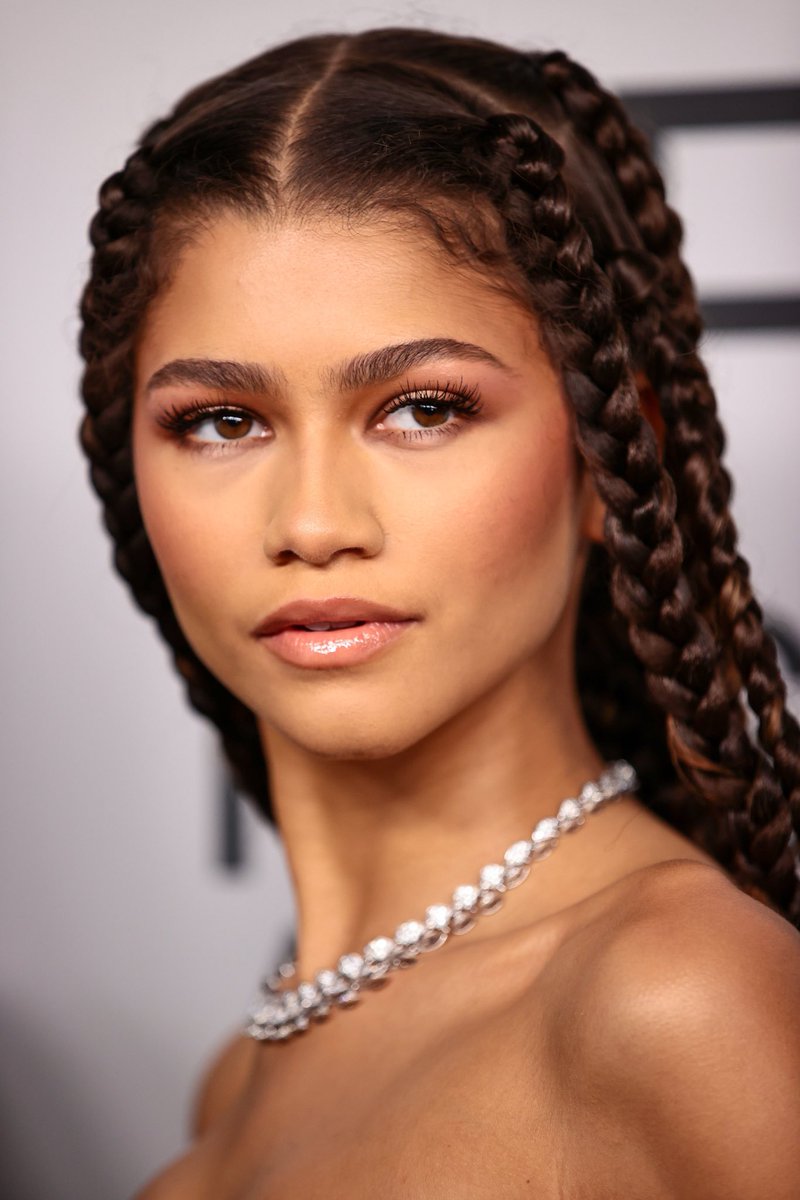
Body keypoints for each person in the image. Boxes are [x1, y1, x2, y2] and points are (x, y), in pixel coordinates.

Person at [77, 25, 800, 1198]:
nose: (312, 523)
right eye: (221, 420)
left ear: (615, 460)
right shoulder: (236, 1085)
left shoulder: (681, 1003)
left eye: (423, 409)